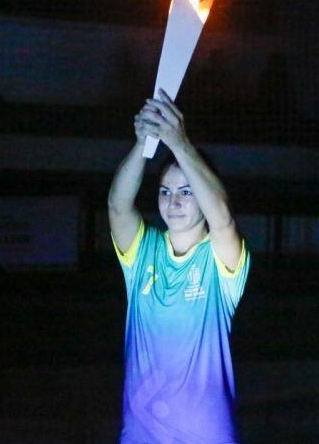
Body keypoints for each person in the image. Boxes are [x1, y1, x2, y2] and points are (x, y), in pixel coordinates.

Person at [108, 89, 251, 443]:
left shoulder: (220, 259)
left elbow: (222, 218)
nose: (174, 201)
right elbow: (117, 206)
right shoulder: (143, 252)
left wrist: (180, 144)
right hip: (142, 433)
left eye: (186, 192)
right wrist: (144, 144)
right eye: (165, 191)